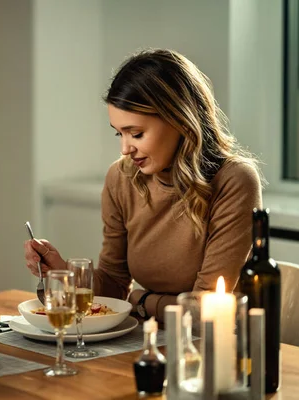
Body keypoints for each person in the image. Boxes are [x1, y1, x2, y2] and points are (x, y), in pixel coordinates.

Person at [24, 49, 262, 322]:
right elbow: (114, 285)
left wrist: (141, 300)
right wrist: (63, 270)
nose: (125, 148)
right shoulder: (120, 178)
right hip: (149, 337)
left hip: (216, 343)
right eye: (119, 133)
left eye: (136, 133)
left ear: (179, 119)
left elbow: (206, 309)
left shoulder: (234, 180)